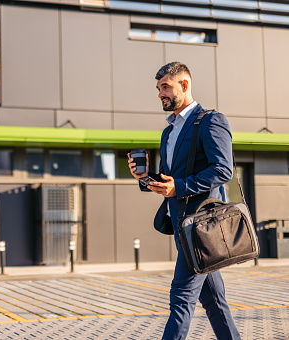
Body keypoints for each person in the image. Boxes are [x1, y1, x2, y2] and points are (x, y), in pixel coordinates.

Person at [128, 62, 241, 340]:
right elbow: (171, 180)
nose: (160, 94)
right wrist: (145, 177)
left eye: (165, 86)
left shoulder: (211, 121)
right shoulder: (168, 132)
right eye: (158, 88)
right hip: (181, 227)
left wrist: (177, 187)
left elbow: (222, 170)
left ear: (185, 85)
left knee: (181, 296)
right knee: (214, 301)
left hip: (202, 229)